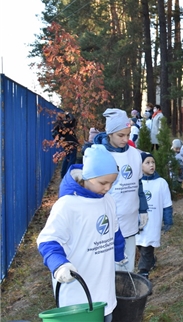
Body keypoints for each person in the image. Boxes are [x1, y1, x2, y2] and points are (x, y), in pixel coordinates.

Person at [37, 145, 125, 322]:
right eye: (103, 183)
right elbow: (48, 241)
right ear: (87, 176)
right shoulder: (68, 206)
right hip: (76, 298)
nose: (108, 188)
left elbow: (115, 232)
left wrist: (119, 255)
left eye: (112, 183)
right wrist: (59, 264)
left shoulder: (107, 200)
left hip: (105, 292)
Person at [94, 108, 148, 272]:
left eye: (128, 134)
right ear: (109, 133)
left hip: (130, 218)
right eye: (121, 135)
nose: (126, 139)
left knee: (128, 265)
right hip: (106, 222)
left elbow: (138, 184)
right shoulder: (99, 154)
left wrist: (143, 209)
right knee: (108, 267)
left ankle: (126, 295)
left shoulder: (134, 154)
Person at [136, 152, 173, 278]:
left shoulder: (161, 183)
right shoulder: (136, 183)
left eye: (153, 162)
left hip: (153, 222)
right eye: (147, 163)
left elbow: (167, 204)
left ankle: (143, 271)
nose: (151, 165)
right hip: (139, 221)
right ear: (140, 166)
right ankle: (150, 262)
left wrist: (168, 221)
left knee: (148, 244)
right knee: (140, 244)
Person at [53, 112, 79, 178]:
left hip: (64, 143)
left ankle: (63, 174)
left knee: (67, 158)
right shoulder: (65, 124)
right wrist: (68, 114)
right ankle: (68, 175)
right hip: (71, 142)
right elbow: (72, 119)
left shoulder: (57, 125)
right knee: (72, 159)